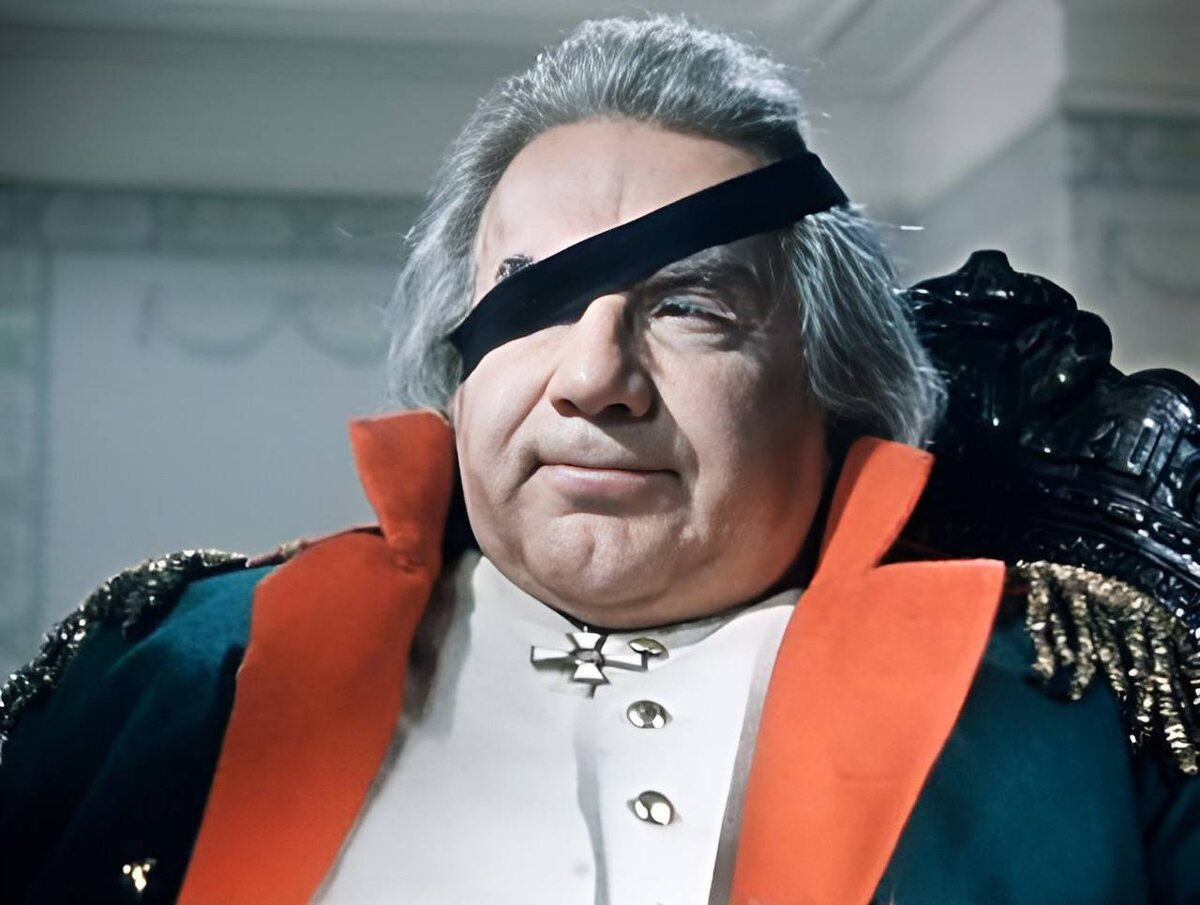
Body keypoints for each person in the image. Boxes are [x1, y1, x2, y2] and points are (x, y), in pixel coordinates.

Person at [1, 13, 1197, 905]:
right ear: (459, 374)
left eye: (692, 306)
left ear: (835, 389)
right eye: (530, 303)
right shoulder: (173, 666)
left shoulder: (1086, 710)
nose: (593, 376)